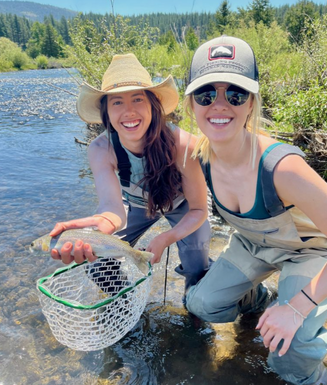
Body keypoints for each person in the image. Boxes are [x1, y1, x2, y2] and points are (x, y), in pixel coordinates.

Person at [183, 35, 327, 384]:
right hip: (255, 245)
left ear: (252, 103)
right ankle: (260, 299)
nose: (220, 105)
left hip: (310, 252)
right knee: (201, 304)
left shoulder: (282, 168)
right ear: (191, 105)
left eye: (235, 94)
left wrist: (296, 307)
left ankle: (321, 378)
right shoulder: (198, 156)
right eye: (206, 94)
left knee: (290, 354)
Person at [49, 53, 211, 294]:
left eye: (137, 99)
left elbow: (199, 210)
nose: (129, 111)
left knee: (197, 268)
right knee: (98, 263)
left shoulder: (184, 145)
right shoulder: (100, 149)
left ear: (153, 104)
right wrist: (101, 226)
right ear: (106, 112)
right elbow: (112, 208)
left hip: (183, 207)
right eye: (117, 102)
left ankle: (195, 307)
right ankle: (126, 303)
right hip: (136, 205)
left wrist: (166, 237)